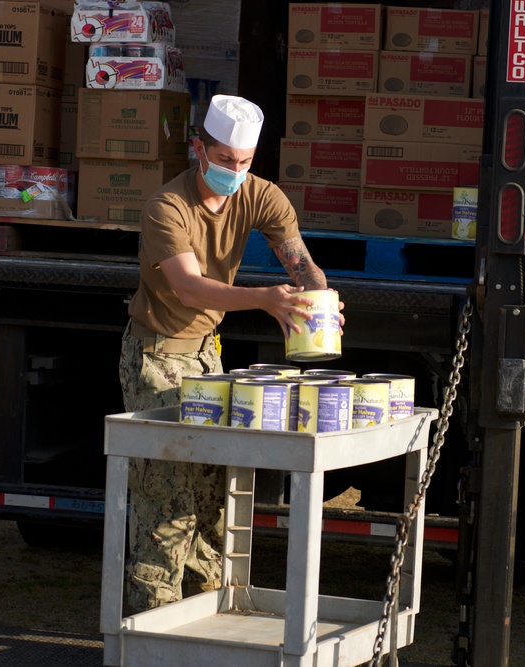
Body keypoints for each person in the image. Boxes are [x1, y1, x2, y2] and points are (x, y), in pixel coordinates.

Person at [118, 94, 339, 613]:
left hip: (205, 357)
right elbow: (190, 289)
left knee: (215, 493)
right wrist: (264, 300)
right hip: (156, 355)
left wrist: (319, 304)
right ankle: (151, 626)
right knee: (166, 501)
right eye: (223, 161)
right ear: (199, 149)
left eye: (243, 163)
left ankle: (205, 617)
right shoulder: (166, 208)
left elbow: (302, 264)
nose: (234, 172)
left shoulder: (261, 195)